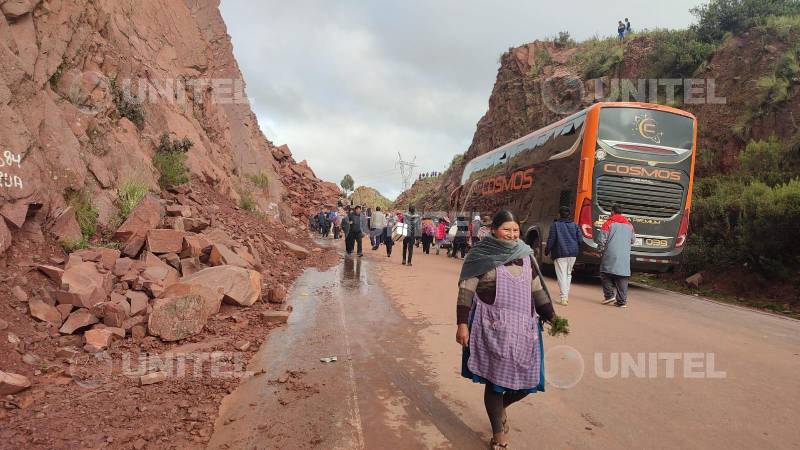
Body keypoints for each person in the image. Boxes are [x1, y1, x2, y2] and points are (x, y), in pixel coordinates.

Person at [456, 210, 558, 450]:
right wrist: (462, 324)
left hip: (524, 329)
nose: (512, 234)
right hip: (491, 329)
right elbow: (466, 292)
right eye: (507, 229)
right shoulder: (480, 255)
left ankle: (500, 407)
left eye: (515, 230)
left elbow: (538, 291)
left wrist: (551, 316)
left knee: (528, 381)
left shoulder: (526, 255)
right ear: (494, 230)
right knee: (495, 382)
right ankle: (498, 434)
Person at [599, 204, 636, 308]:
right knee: (622, 277)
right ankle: (622, 301)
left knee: (604, 273)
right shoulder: (629, 225)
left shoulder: (608, 224)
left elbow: (602, 241)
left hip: (610, 253)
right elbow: (633, 240)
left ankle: (609, 295)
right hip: (624, 256)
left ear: (612, 212)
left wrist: (600, 250)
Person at [545, 206, 581, 306]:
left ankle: (563, 298)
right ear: (569, 215)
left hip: (560, 253)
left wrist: (547, 251)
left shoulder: (555, 225)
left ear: (559, 214)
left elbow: (551, 240)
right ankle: (565, 297)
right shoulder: (575, 225)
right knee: (568, 274)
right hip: (573, 253)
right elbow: (580, 240)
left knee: (561, 275)